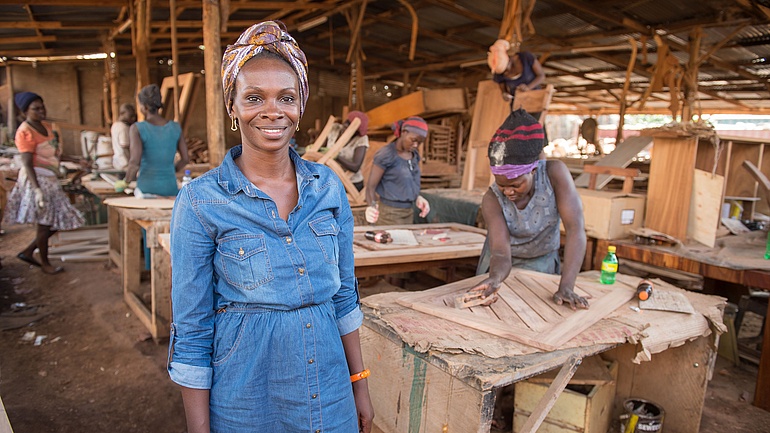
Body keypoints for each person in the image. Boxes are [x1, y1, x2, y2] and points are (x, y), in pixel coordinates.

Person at [167, 21, 374, 433]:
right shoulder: (200, 202)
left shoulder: (327, 188)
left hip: (330, 390)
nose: (272, 111)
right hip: (246, 400)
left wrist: (359, 389)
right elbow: (192, 327)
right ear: (233, 106)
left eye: (286, 97)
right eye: (254, 97)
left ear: (301, 106)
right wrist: (199, 429)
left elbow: (345, 297)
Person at [468, 109, 588, 310]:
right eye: (501, 184)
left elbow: (576, 230)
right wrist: (495, 278)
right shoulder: (491, 198)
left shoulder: (554, 174)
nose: (508, 192)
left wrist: (567, 286)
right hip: (500, 264)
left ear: (533, 169)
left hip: (542, 262)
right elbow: (500, 252)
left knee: (541, 313)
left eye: (515, 185)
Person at [4, 91, 84, 274]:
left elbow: (55, 154)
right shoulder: (25, 132)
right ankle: (45, 264)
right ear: (25, 112)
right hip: (37, 179)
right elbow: (26, 162)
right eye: (35, 109)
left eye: (42, 107)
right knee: (45, 222)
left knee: (60, 220)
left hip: (50, 178)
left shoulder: (46, 127)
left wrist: (77, 160)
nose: (41, 111)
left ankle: (29, 251)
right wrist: (37, 190)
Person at [364, 116, 431, 225]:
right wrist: (371, 207)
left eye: (419, 142)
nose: (416, 145)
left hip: (409, 212)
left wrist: (418, 197)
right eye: (413, 140)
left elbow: (408, 182)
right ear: (404, 132)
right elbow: (370, 187)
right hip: (389, 214)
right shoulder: (386, 155)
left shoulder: (414, 155)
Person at [125, 84, 188, 197]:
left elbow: (134, 162)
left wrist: (126, 182)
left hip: (146, 189)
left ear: (144, 107)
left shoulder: (137, 128)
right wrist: (168, 171)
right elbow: (185, 159)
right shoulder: (175, 127)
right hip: (170, 188)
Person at [490, 39, 546, 107]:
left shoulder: (526, 57)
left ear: (509, 60)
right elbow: (502, 87)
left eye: (506, 69)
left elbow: (541, 76)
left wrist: (528, 87)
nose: (506, 73)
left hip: (535, 100)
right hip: (517, 104)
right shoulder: (498, 69)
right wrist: (504, 94)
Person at [326, 111, 369, 191]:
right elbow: (321, 147)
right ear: (344, 124)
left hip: (351, 183)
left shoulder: (361, 139)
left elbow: (356, 166)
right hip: (330, 180)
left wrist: (336, 156)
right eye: (345, 127)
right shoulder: (334, 128)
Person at [110, 103, 137, 171]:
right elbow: (125, 146)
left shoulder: (115, 125)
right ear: (122, 114)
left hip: (117, 161)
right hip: (124, 162)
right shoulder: (123, 127)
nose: (133, 118)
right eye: (130, 116)